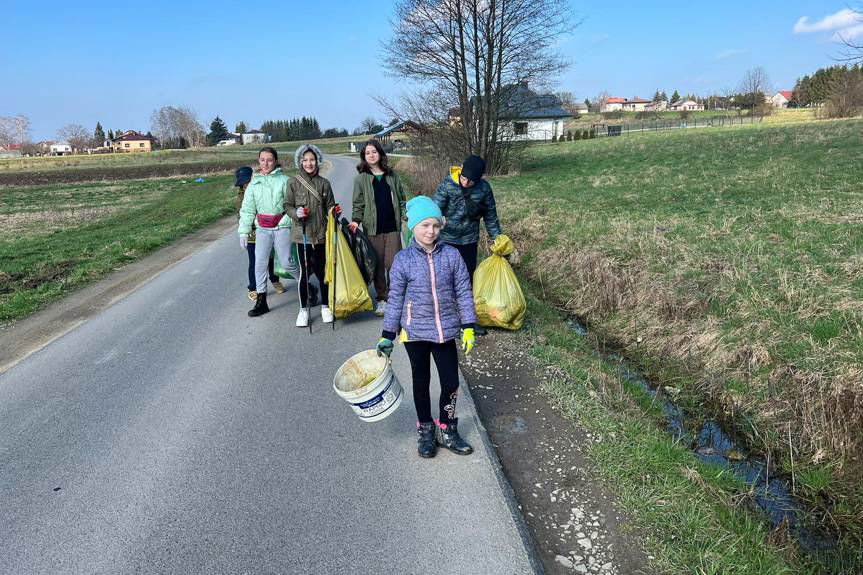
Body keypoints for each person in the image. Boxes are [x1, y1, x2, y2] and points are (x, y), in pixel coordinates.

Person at [375, 196, 477, 459]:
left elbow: (464, 292)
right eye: (424, 225)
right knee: (421, 382)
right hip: (415, 333)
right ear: (413, 227)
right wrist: (388, 334)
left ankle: (448, 428)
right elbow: (395, 298)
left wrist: (468, 326)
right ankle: (426, 429)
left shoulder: (452, 256)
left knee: (451, 383)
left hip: (444, 332)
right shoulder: (403, 260)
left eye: (435, 225)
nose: (430, 231)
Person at [432, 154, 502, 335]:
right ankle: (446, 319)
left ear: (478, 179)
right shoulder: (448, 185)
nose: (465, 183)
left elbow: (491, 217)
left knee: (467, 280)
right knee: (445, 279)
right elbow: (434, 209)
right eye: (463, 178)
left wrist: (498, 240)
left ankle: (468, 321)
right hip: (446, 240)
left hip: (469, 240)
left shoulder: (484, 189)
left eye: (470, 181)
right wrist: (434, 224)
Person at [348, 140, 407, 317]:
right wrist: (356, 221)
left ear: (380, 154)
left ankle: (395, 297)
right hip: (372, 229)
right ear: (364, 157)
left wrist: (407, 216)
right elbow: (358, 204)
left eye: (374, 152)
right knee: (379, 265)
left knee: (394, 264)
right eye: (367, 153)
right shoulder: (361, 179)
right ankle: (382, 299)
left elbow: (402, 200)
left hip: (392, 227)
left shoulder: (392, 176)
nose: (371, 155)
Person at [239, 147, 300, 317]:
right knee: (260, 263)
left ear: (275, 161)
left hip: (281, 225)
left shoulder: (285, 181)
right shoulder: (254, 183)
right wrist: (244, 231)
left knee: (287, 262)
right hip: (263, 229)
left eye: (269, 160)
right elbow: (248, 209)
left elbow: (293, 205)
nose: (265, 163)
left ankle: (305, 286)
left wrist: (284, 220)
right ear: (259, 161)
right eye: (262, 160)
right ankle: (261, 300)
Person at [284, 144, 340, 327]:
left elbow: (330, 206)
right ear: (300, 161)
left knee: (324, 271)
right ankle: (302, 310)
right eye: (305, 160)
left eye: (312, 160)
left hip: (321, 235)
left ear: (317, 161)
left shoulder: (324, 183)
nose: (309, 163)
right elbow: (287, 206)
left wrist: (334, 211)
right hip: (302, 236)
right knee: (304, 273)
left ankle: (325, 306)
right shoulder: (292, 182)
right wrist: (296, 213)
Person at [235, 167, 284, 301]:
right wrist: (245, 232)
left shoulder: (260, 187)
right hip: (252, 235)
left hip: (268, 231)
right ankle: (253, 288)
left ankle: (275, 280)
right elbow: (243, 216)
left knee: (270, 259)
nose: (246, 186)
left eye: (248, 182)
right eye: (243, 184)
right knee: (255, 262)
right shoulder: (241, 198)